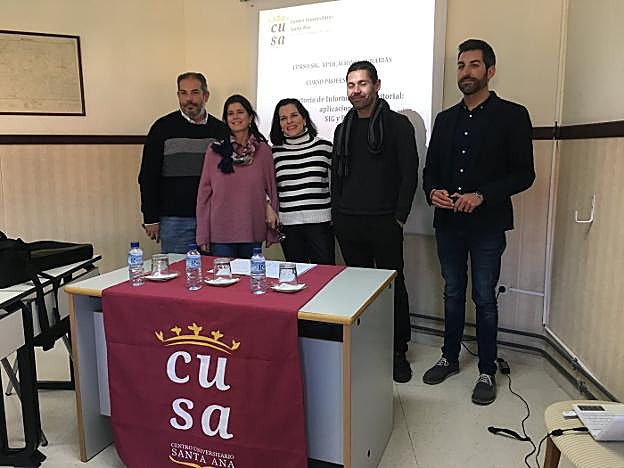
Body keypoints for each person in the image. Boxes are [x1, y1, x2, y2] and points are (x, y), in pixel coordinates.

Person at [422, 39, 535, 405]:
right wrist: (433, 192)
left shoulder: (513, 115)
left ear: (490, 70)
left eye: (473, 65)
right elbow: (430, 171)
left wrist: (483, 194)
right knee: (452, 291)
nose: (465, 72)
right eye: (461, 65)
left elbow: (525, 174)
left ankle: (487, 370)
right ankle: (449, 357)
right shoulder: (444, 119)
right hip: (448, 224)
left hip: (488, 225)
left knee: (484, 297)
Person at [332, 61, 419, 383]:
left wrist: (400, 217)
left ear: (377, 85)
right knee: (357, 289)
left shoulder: (397, 125)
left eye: (362, 83)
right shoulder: (343, 128)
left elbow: (409, 172)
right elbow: (336, 177)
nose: (356, 90)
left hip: (385, 222)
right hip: (349, 222)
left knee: (392, 289)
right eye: (351, 84)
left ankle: (397, 351)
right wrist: (338, 214)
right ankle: (366, 346)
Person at [138, 72, 228, 253]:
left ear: (206, 96)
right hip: (175, 220)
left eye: (195, 92)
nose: (189, 99)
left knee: (216, 269)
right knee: (178, 269)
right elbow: (148, 175)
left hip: (213, 217)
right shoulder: (162, 128)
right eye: (183, 93)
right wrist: (150, 217)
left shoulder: (220, 130)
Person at [196, 94, 278, 259]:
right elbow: (203, 196)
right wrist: (202, 233)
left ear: (250, 118)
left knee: (251, 275)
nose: (235, 117)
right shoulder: (214, 151)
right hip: (221, 233)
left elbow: (271, 190)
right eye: (230, 113)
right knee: (224, 275)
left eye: (240, 112)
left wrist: (272, 231)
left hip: (252, 230)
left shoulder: (263, 151)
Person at [269, 98, 334, 264]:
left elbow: (337, 186)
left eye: (294, 115)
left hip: (320, 224)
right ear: (279, 124)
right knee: (297, 275)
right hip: (289, 226)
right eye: (283, 118)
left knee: (325, 274)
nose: (289, 121)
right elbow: (266, 188)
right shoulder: (274, 153)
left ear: (304, 118)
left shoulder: (325, 147)